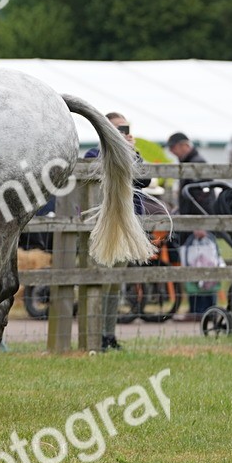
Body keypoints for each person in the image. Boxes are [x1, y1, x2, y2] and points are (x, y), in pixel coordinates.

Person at [84, 112, 149, 351]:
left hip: (126, 225)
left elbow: (145, 180)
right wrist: (118, 150)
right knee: (99, 283)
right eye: (117, 129)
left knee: (114, 285)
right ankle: (93, 335)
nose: (122, 133)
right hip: (104, 227)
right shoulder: (93, 154)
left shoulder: (134, 154)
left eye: (125, 129)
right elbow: (97, 172)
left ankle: (108, 335)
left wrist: (131, 152)